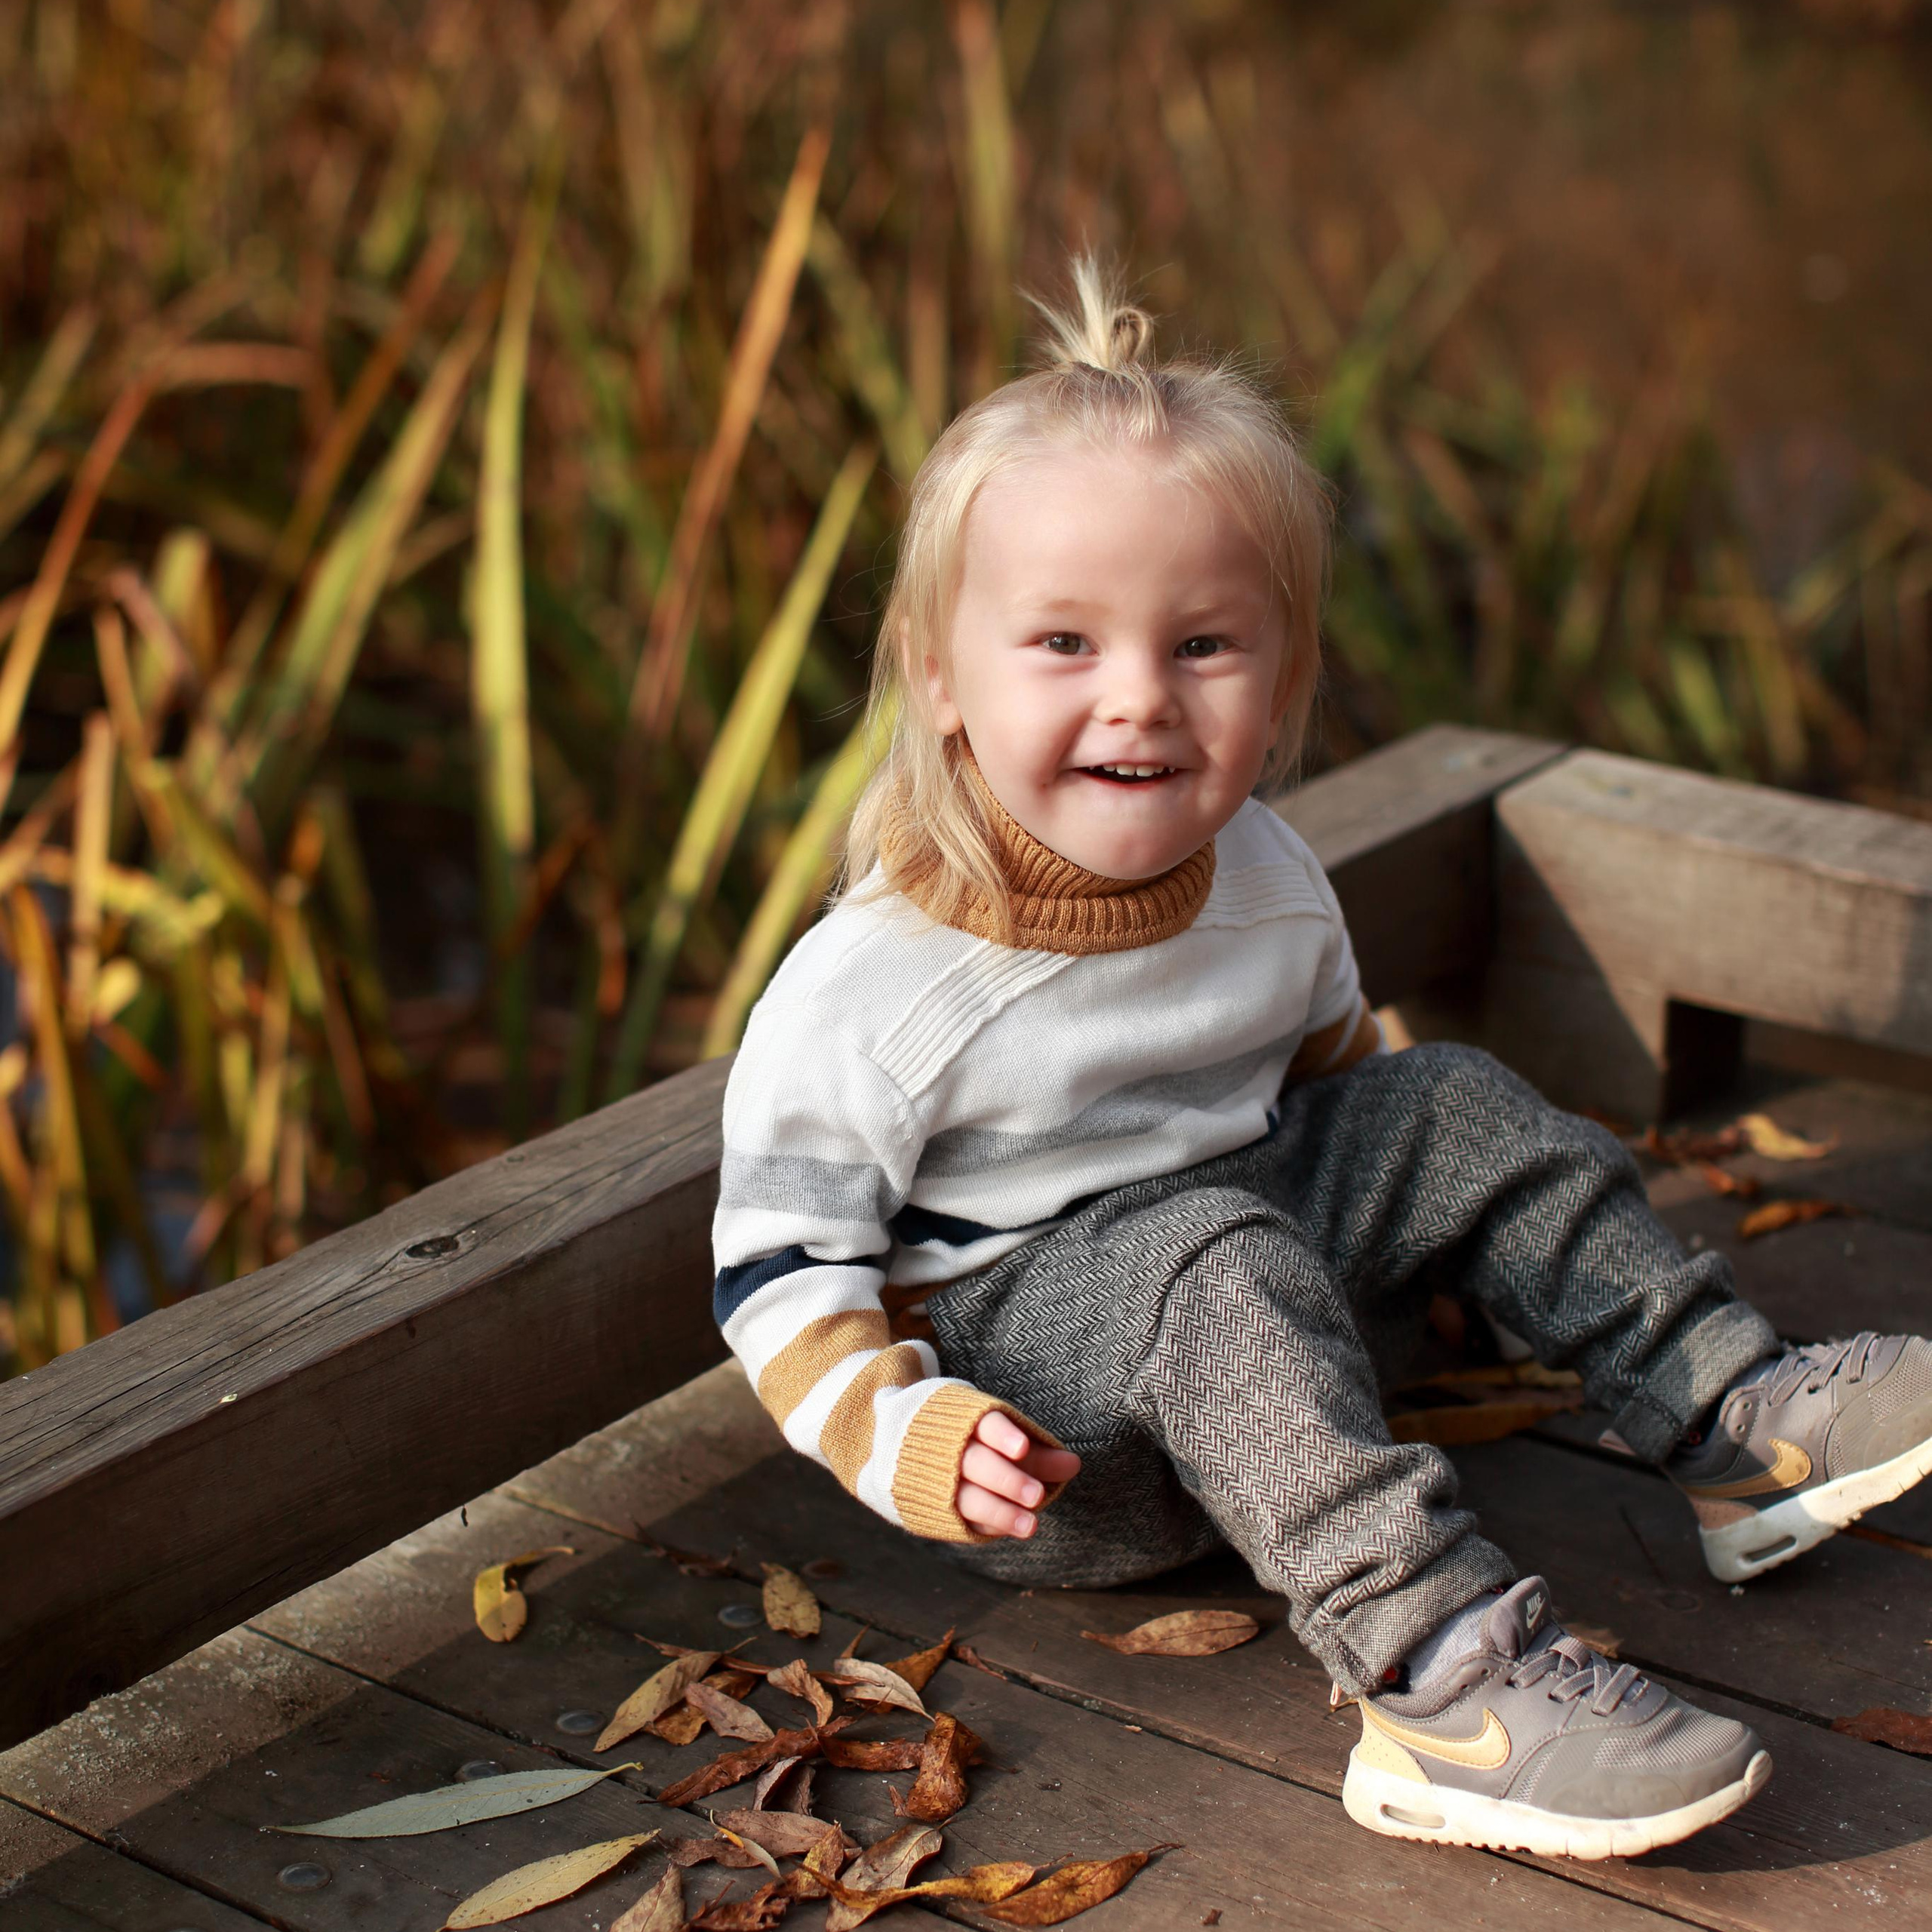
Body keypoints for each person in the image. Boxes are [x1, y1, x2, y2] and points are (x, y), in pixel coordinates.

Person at [708, 254, 1932, 1860]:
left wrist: (1434, 1237)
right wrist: (908, 1434)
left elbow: (1338, 1088)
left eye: (1202, 644)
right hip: (1067, 1456)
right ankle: (1444, 1687)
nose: (1137, 697)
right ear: (940, 674)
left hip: (1273, 1328)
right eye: (1062, 642)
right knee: (1199, 1250)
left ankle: (1728, 1415)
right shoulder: (879, 985)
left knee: (1442, 1096)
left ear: (1280, 676)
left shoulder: (1268, 873)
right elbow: (774, 1274)